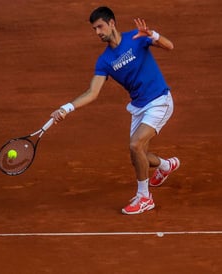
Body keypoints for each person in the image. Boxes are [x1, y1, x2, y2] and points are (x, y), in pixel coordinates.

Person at [50, 6, 180, 215]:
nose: (98, 32)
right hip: (139, 107)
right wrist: (66, 107)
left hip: (159, 100)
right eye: (94, 29)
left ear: (112, 23)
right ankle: (165, 166)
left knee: (135, 144)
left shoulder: (137, 38)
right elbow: (93, 92)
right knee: (139, 155)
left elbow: (170, 46)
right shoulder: (104, 61)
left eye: (100, 27)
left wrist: (152, 34)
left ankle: (144, 198)